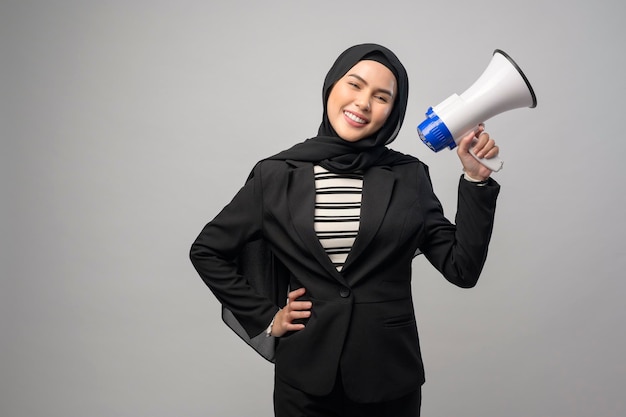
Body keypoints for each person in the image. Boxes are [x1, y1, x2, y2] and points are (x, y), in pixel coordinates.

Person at [190, 43, 500, 417]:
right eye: (354, 84)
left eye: (381, 96)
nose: (363, 103)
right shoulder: (275, 175)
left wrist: (475, 180)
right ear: (331, 86)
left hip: (389, 379)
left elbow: (462, 269)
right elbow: (207, 250)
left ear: (392, 112)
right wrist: (267, 316)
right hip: (305, 381)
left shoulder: (409, 175)